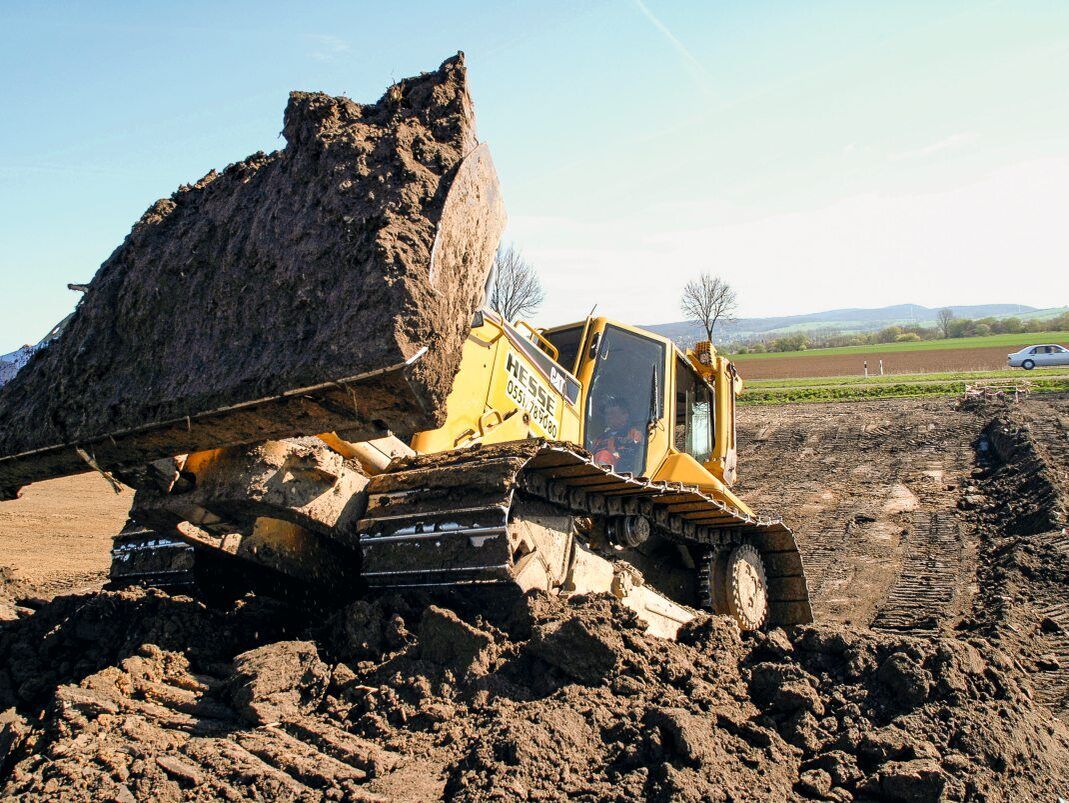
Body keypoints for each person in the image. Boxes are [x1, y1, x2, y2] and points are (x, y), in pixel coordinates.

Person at [590, 400, 644, 471]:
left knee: (604, 455)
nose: (608, 417)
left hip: (620, 473)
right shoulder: (599, 439)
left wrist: (613, 453)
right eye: (606, 414)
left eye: (612, 413)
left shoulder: (634, 434)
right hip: (595, 469)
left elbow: (634, 460)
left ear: (625, 415)